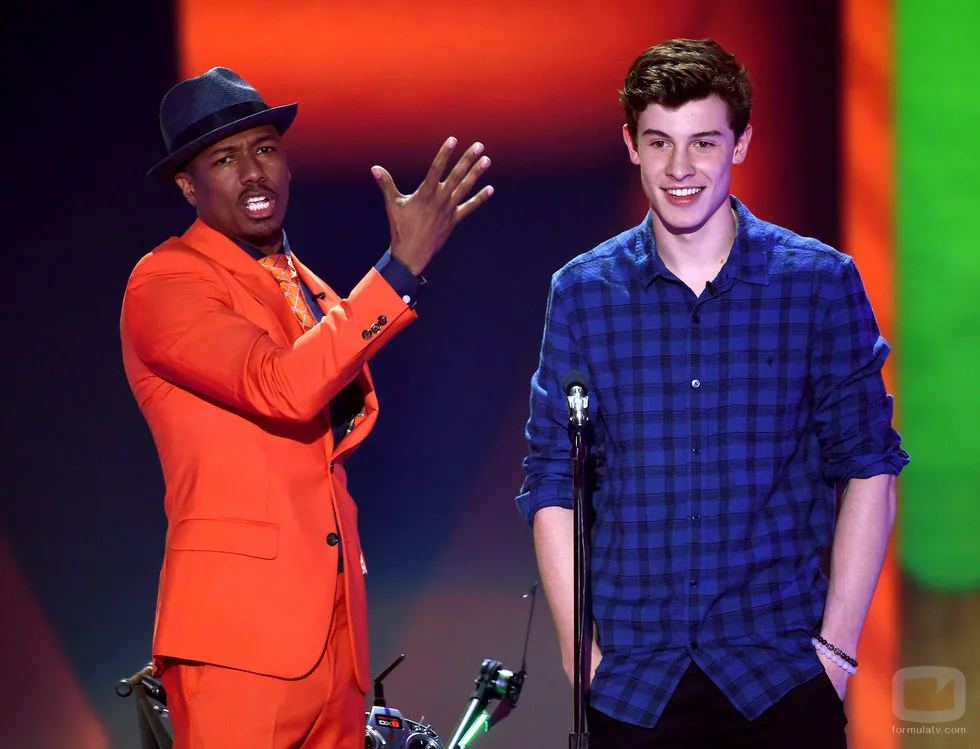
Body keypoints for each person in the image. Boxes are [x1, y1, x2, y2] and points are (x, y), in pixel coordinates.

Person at [516, 38, 909, 748]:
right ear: (631, 145)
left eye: (703, 142)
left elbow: (870, 465)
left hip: (781, 678)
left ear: (742, 143)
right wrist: (583, 661)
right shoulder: (582, 292)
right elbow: (552, 480)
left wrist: (836, 656)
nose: (680, 168)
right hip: (634, 685)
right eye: (659, 142)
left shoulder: (818, 283)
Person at [121, 67, 492, 748]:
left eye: (265, 149)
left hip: (336, 645)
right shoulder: (166, 281)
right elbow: (283, 385)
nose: (252, 173)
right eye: (224, 160)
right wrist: (399, 269)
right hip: (238, 644)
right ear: (187, 186)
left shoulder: (310, 288)